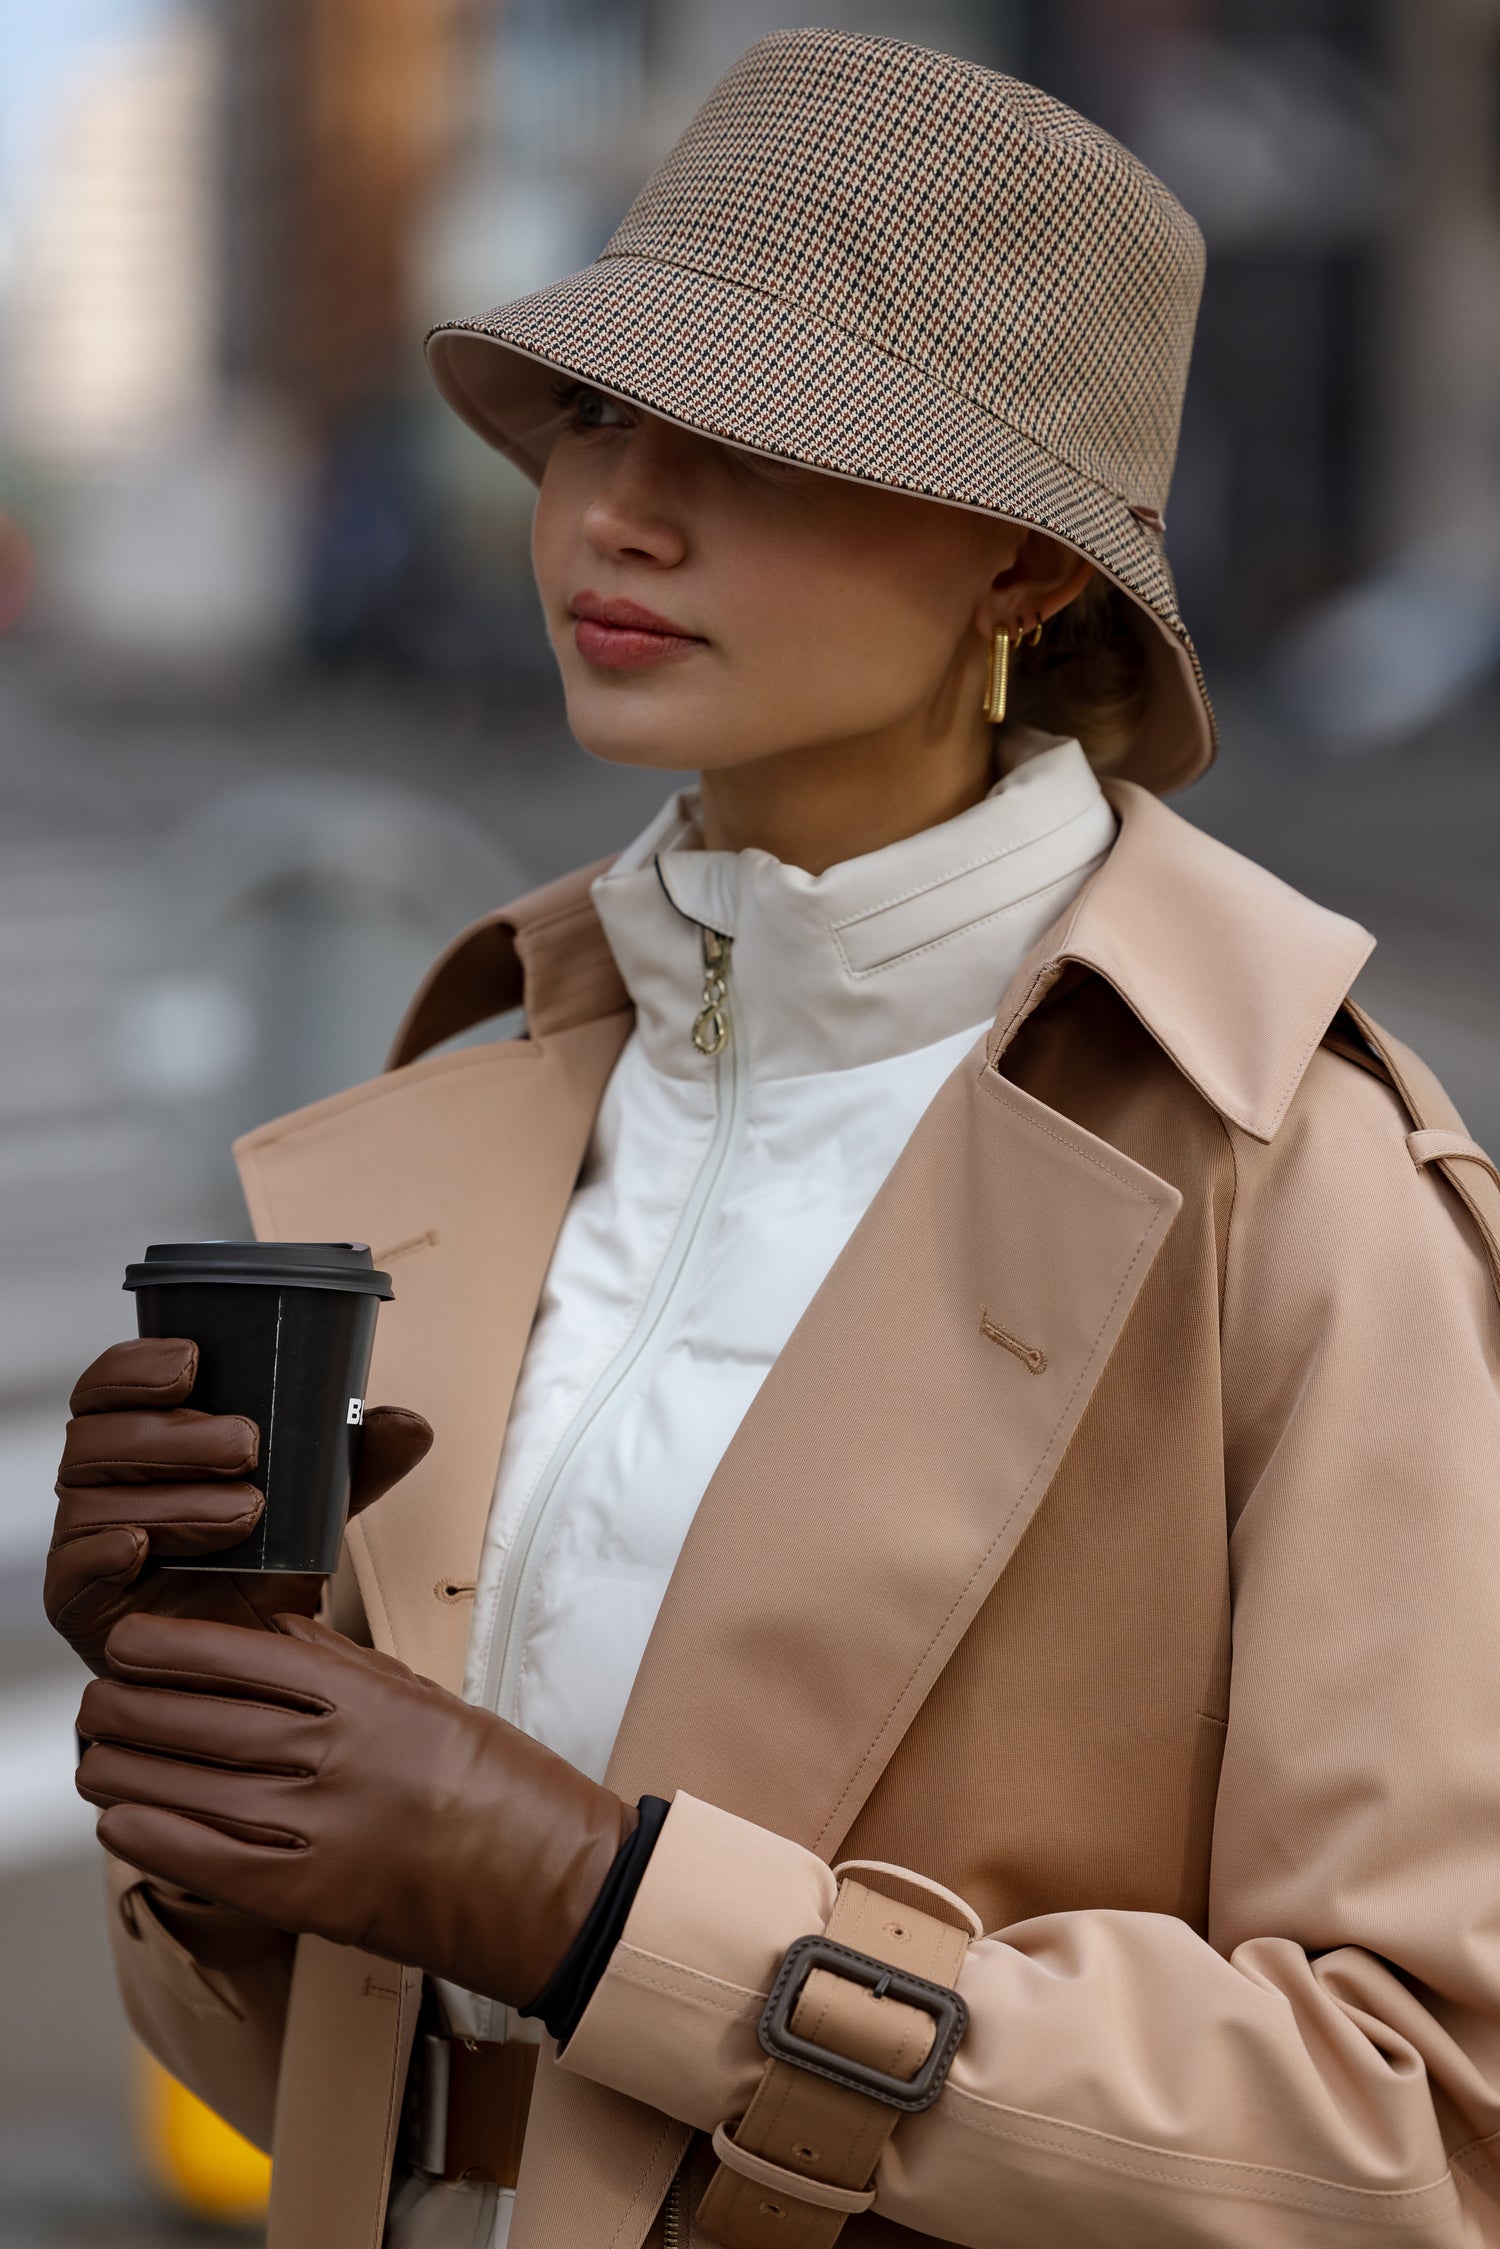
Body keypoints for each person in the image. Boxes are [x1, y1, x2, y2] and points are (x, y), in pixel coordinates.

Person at [44, 28, 1500, 2249]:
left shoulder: (1292, 1188)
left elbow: (1416, 2133)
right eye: (603, 413)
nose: (618, 508)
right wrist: (211, 1782)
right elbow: (340, 2090)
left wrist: (584, 1899)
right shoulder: (493, 1096)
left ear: (1026, 572)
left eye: (763, 441)